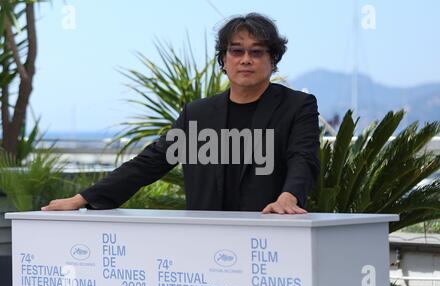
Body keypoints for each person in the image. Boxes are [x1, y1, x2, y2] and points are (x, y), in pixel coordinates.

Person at [42, 13, 320, 214]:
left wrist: (289, 197)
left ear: (273, 60)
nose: (246, 59)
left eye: (257, 52)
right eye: (237, 51)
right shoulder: (197, 114)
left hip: (273, 236)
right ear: (223, 60)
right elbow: (150, 163)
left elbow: (303, 158)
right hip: (203, 239)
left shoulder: (297, 106)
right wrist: (83, 198)